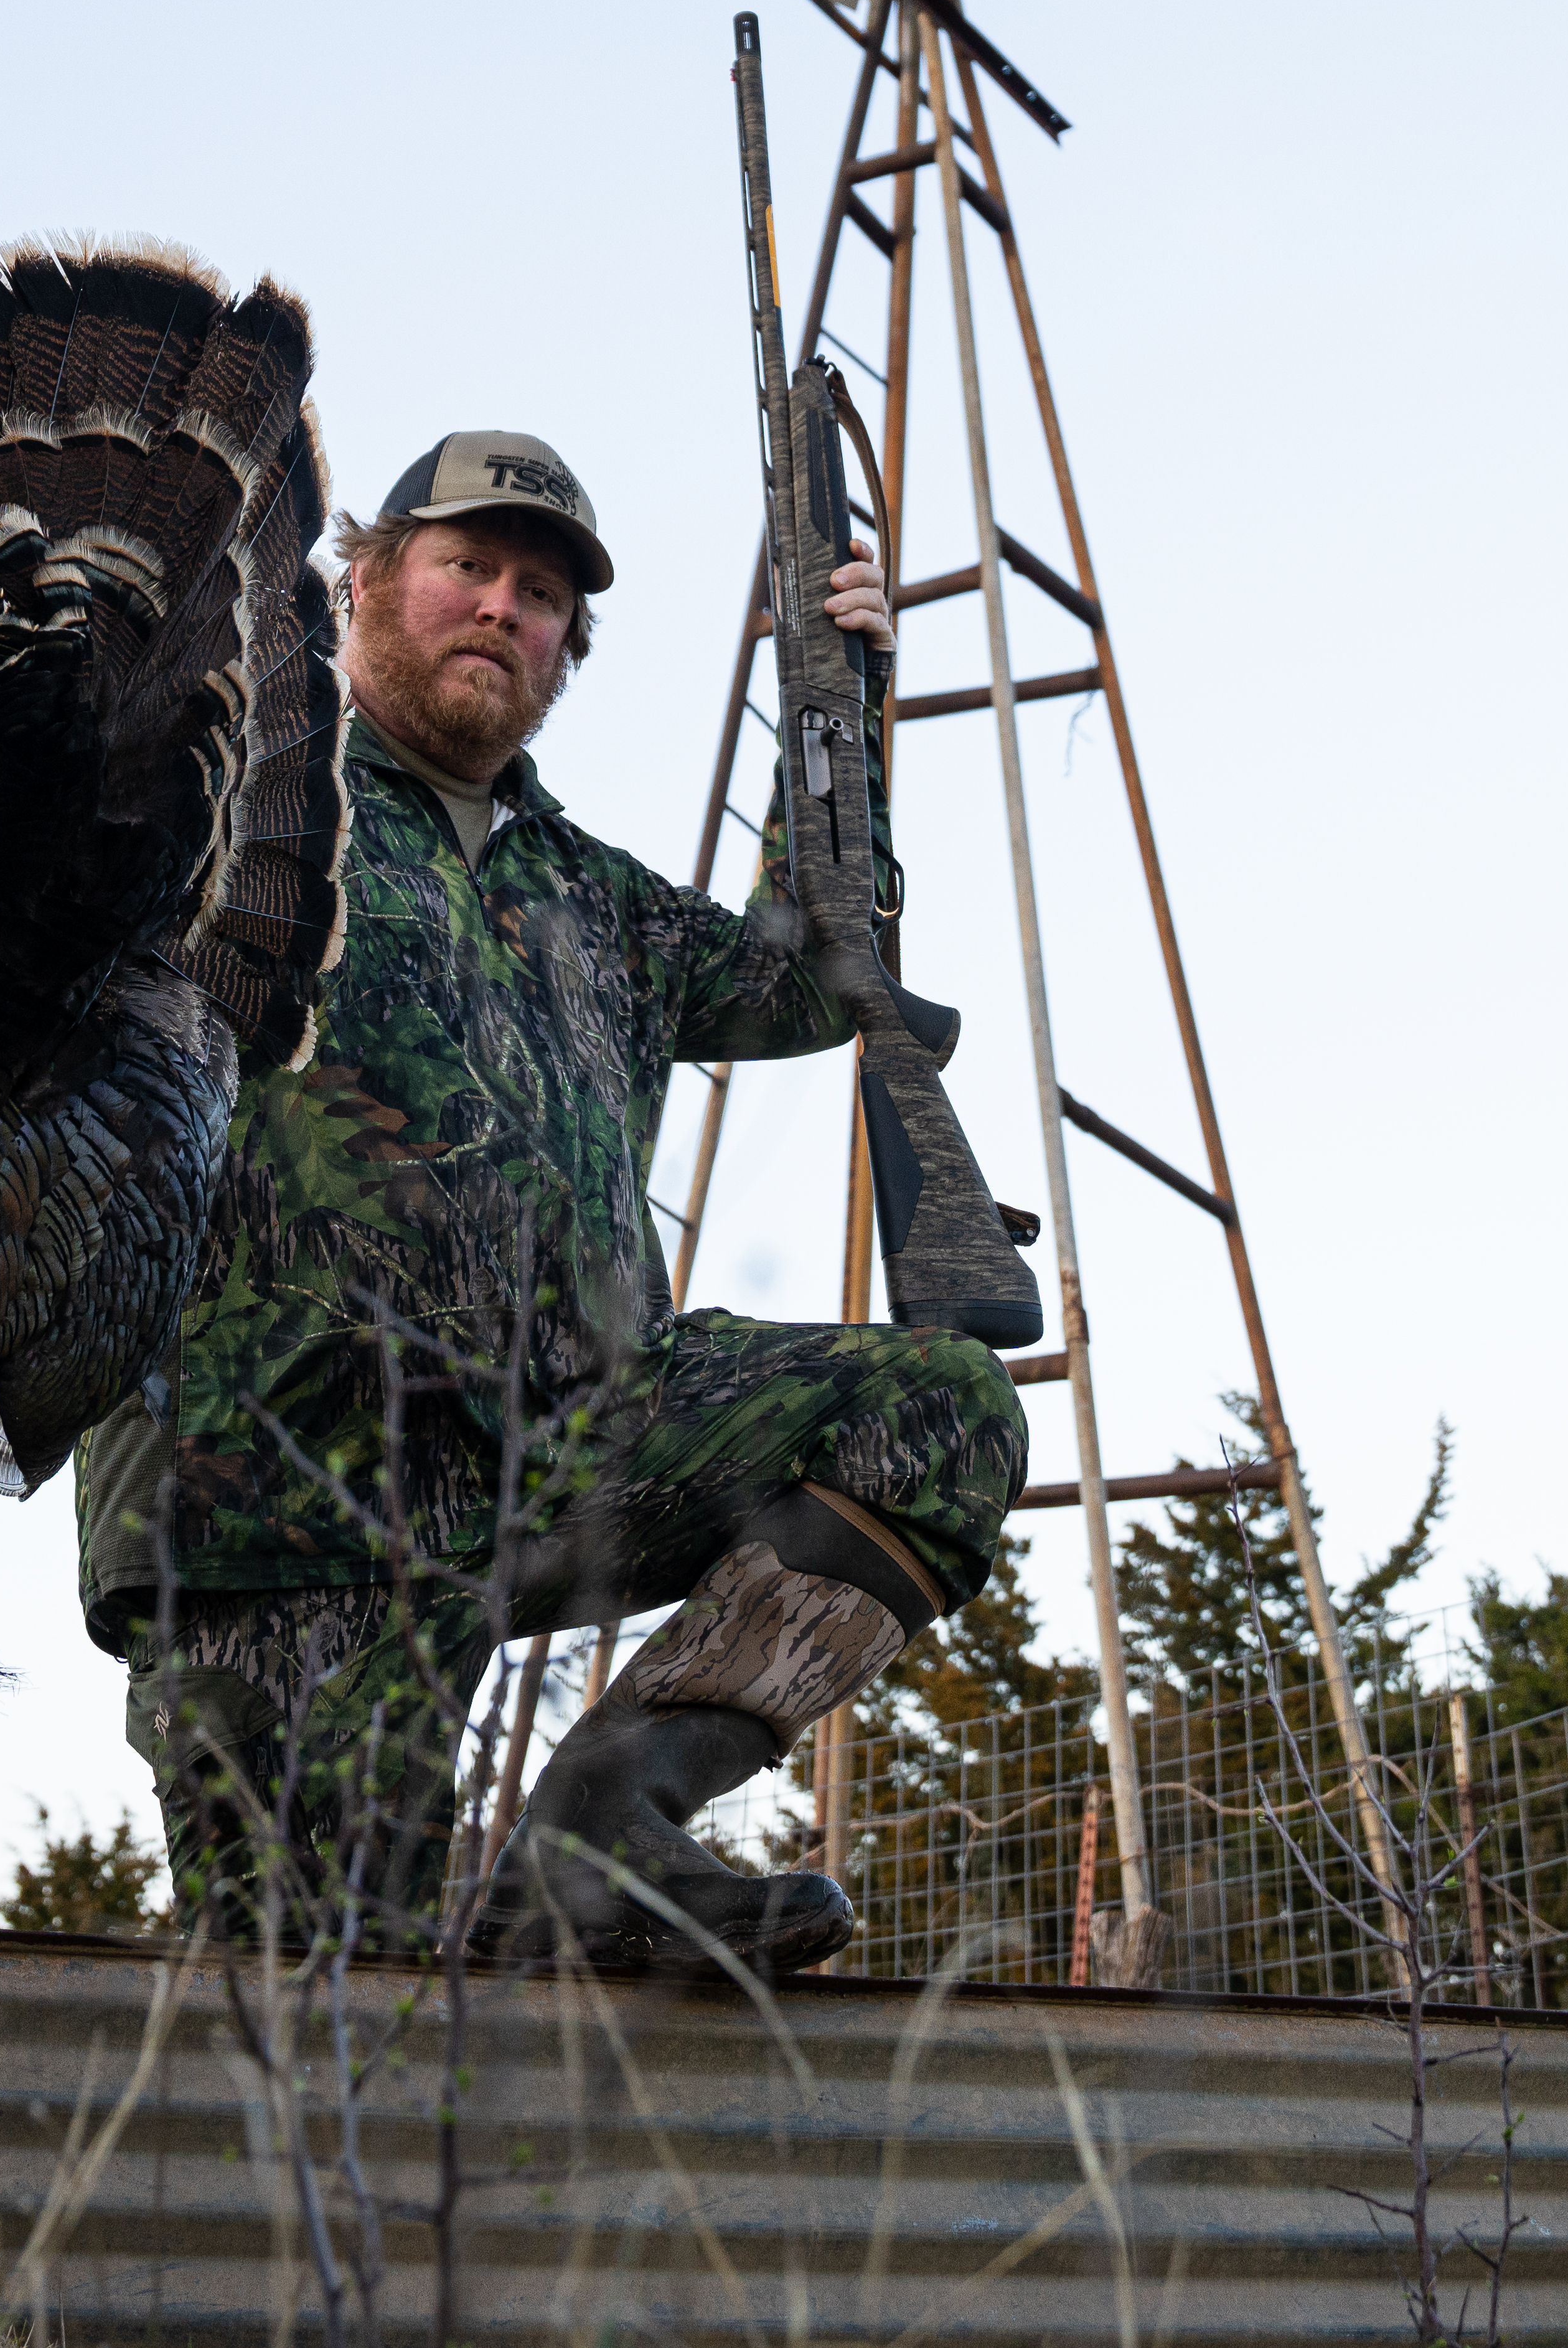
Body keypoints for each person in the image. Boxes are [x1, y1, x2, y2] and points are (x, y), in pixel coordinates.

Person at [74, 428, 1026, 1976]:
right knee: (321, 1992)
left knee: (936, 1411)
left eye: (541, 596)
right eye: (468, 566)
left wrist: (832, 710)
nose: (503, 610)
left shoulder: (588, 892)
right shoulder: (222, 798)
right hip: (278, 1485)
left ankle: (601, 1826)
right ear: (366, 579)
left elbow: (806, 972)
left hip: (564, 1434)